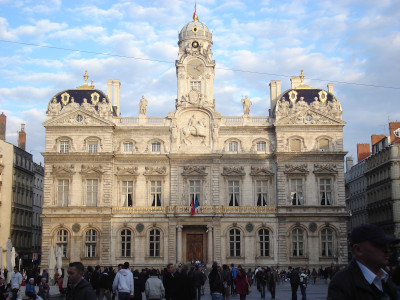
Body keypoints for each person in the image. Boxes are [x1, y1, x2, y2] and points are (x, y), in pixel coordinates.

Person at [328, 224, 399, 300]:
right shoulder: (342, 283)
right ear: (358, 250)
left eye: (386, 245)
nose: (387, 250)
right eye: (379, 245)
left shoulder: (385, 279)